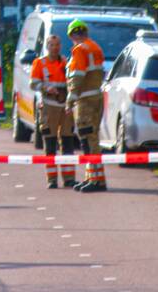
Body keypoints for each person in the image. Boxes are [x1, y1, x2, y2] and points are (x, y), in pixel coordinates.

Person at [29, 35, 76, 188]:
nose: (55, 47)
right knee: (50, 142)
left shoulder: (66, 61)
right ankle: (52, 179)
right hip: (49, 105)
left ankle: (69, 178)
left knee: (68, 141)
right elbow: (33, 84)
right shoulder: (39, 63)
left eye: (57, 44)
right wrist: (46, 88)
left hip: (65, 106)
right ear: (47, 46)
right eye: (52, 45)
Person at [66, 19, 107, 192]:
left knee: (87, 139)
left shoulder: (80, 50)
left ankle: (96, 181)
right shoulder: (95, 47)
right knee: (93, 138)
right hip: (96, 97)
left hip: (85, 100)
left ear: (72, 34)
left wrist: (70, 100)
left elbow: (77, 76)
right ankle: (93, 177)